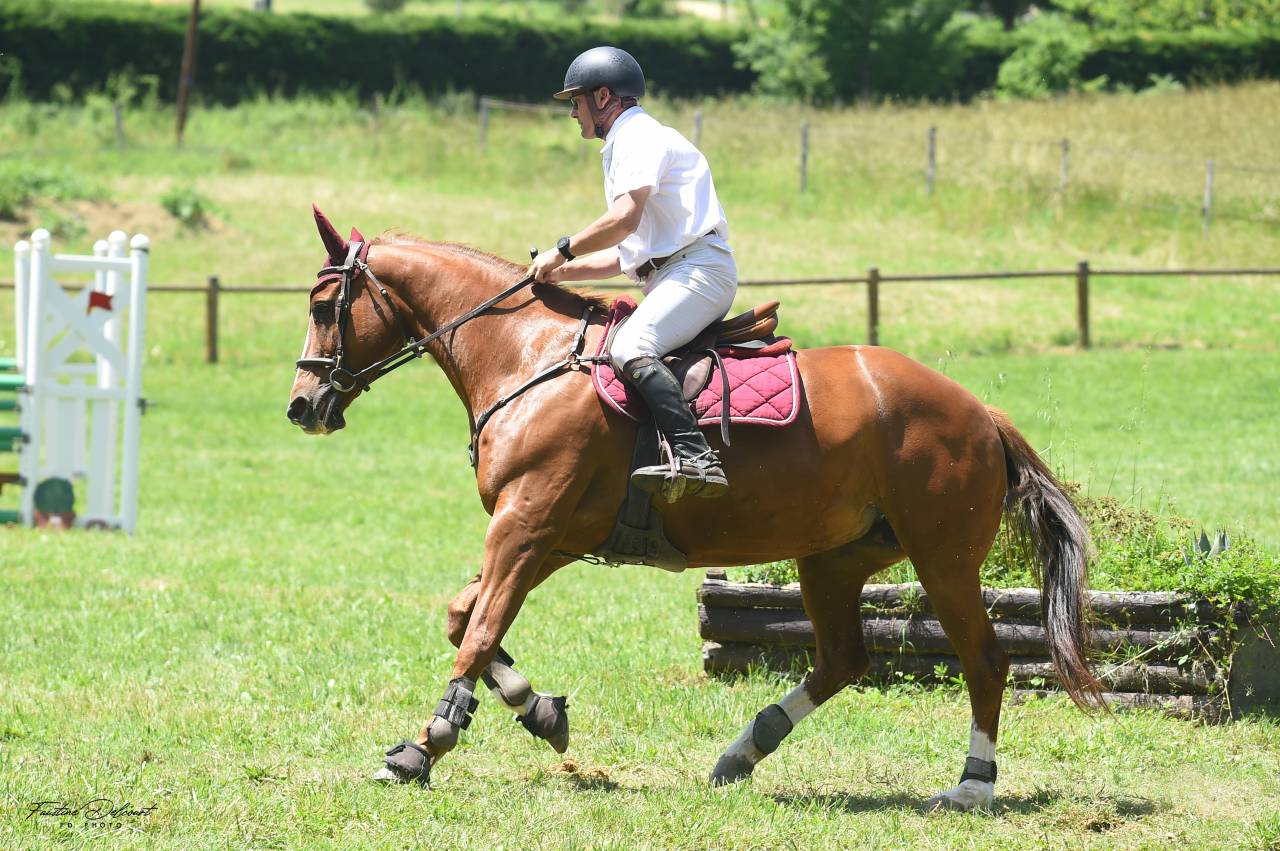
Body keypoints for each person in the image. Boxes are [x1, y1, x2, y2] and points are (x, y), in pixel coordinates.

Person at [529, 46, 737, 501]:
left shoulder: (638, 137)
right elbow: (625, 256)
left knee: (630, 345)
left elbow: (624, 218)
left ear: (603, 96)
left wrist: (561, 249)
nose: (572, 113)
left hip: (698, 271)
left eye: (576, 101)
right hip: (676, 272)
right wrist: (558, 273)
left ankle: (695, 456)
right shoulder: (624, 143)